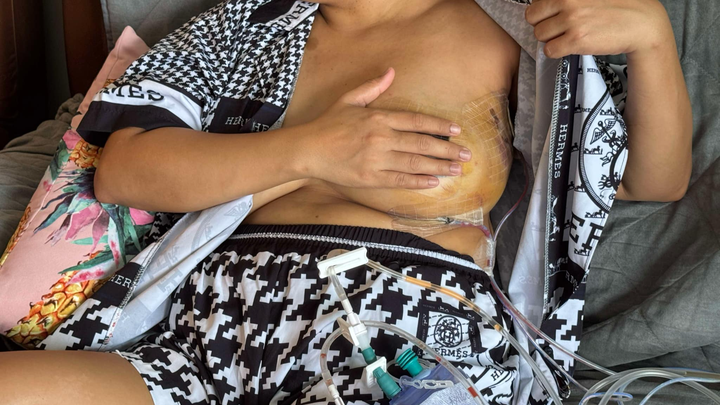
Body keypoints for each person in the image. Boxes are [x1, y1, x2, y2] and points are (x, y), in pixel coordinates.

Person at [0, 0, 691, 404]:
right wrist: (311, 150)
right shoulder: (240, 29)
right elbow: (125, 172)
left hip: (403, 337)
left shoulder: (509, 33)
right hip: (202, 340)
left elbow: (649, 180)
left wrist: (652, 39)